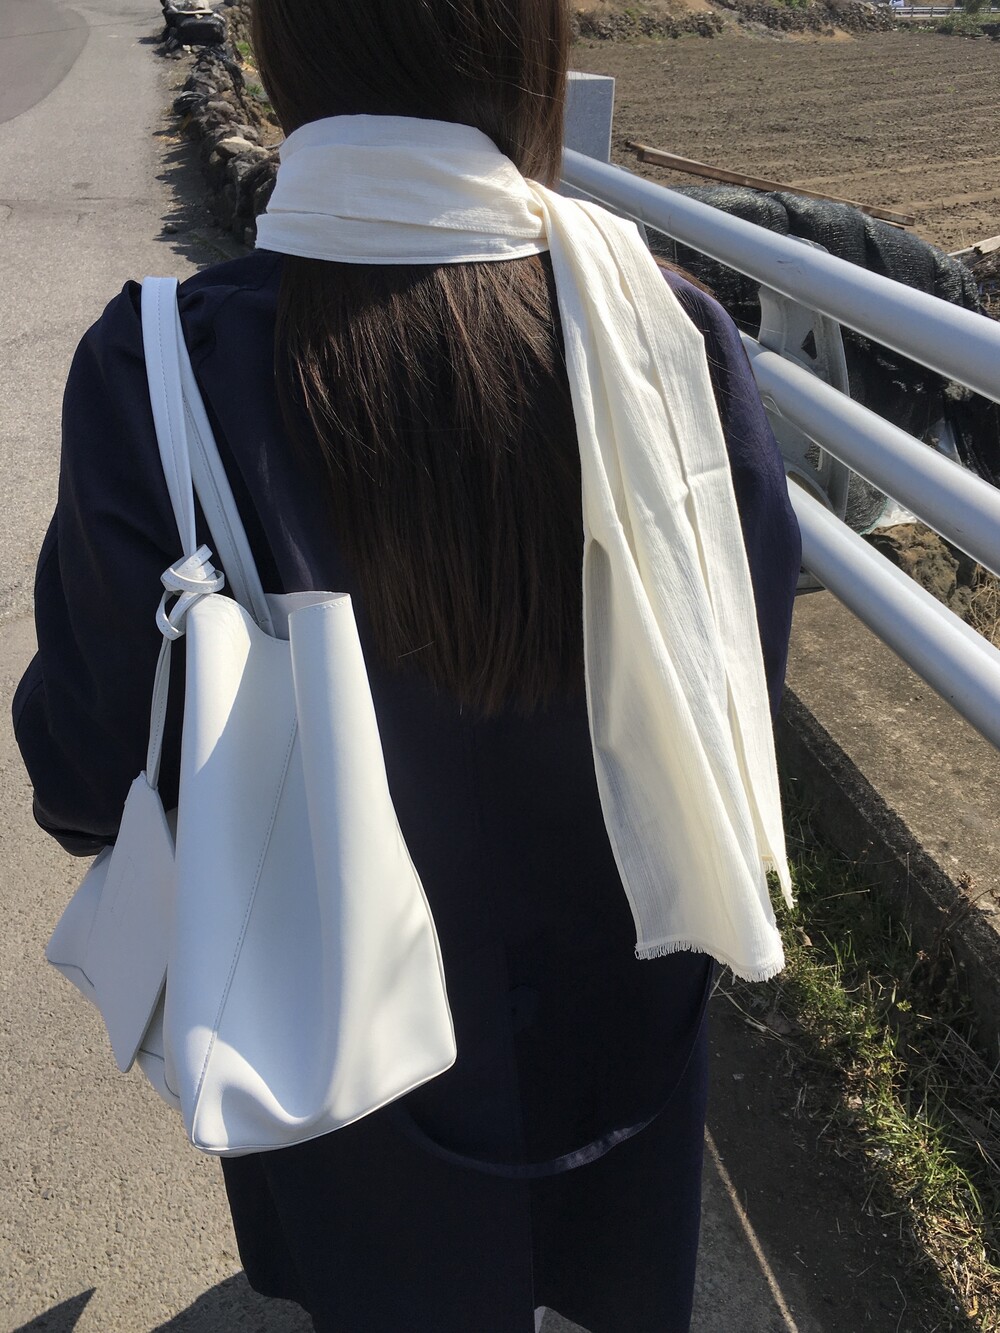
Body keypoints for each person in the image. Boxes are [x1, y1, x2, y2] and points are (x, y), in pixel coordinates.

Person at [12, 1, 801, 1329]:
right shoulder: (669, 343)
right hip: (622, 1043)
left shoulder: (161, 370)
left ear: (283, 47)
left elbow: (89, 768)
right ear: (535, 55)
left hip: (336, 1075)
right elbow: (743, 691)